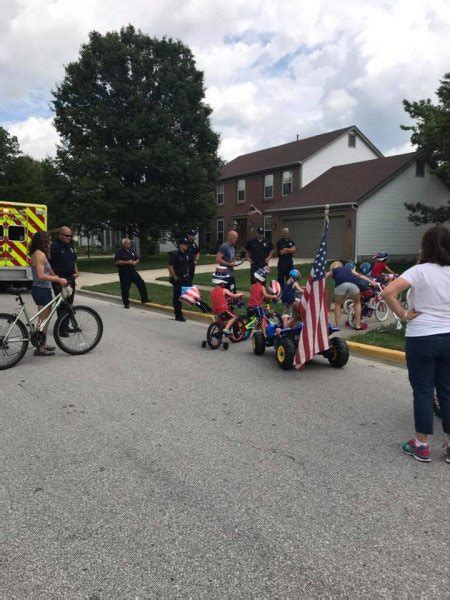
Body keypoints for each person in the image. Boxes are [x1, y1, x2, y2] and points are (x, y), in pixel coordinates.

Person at [382, 225, 450, 463]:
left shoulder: (418, 271)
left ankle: (421, 445)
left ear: (426, 246)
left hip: (421, 337)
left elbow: (388, 292)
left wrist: (402, 314)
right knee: (447, 391)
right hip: (448, 337)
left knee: (423, 390)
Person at [30, 231, 68, 356]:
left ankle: (43, 343)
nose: (50, 242)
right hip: (41, 289)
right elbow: (41, 275)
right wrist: (58, 279)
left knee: (45, 319)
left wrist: (58, 278)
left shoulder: (40, 254)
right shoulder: (39, 254)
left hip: (42, 289)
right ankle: (39, 347)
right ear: (43, 241)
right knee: (42, 320)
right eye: (49, 240)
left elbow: (49, 270)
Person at [326, 260, 377, 330]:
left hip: (341, 286)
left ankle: (336, 325)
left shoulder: (333, 271)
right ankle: (358, 325)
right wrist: (372, 281)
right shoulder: (349, 269)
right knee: (357, 303)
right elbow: (359, 275)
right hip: (353, 285)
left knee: (337, 305)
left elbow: (324, 276)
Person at [49, 226, 78, 337]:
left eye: (70, 236)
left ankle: (66, 325)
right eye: (66, 235)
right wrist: (55, 277)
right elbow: (49, 264)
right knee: (61, 304)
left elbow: (74, 260)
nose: (69, 237)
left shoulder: (69, 246)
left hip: (70, 278)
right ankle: (62, 329)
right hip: (59, 279)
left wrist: (76, 271)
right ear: (60, 234)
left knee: (69, 303)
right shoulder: (54, 246)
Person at [114, 238, 149, 309]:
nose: (129, 244)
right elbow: (117, 262)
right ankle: (126, 303)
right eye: (128, 243)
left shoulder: (132, 251)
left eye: (130, 243)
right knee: (125, 288)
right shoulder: (119, 252)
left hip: (132, 271)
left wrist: (135, 262)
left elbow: (137, 258)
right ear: (124, 244)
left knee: (141, 283)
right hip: (124, 273)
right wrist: (127, 262)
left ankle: (144, 299)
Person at [210, 267, 244, 335]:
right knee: (233, 317)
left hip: (215, 310)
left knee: (221, 321)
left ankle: (220, 330)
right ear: (222, 282)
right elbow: (233, 295)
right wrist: (240, 294)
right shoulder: (224, 290)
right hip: (223, 310)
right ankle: (226, 329)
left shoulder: (213, 291)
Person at [247, 267, 276, 337]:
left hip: (249, 307)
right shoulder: (262, 287)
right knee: (263, 318)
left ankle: (248, 328)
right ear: (262, 279)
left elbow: (250, 292)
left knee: (255, 320)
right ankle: (264, 334)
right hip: (256, 307)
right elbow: (266, 295)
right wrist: (273, 296)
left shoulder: (252, 286)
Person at [168, 238, 191, 321]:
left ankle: (204, 308)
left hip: (185, 278)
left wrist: (187, 273)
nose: (186, 245)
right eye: (185, 244)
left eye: (187, 244)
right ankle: (178, 315)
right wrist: (175, 278)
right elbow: (170, 267)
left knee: (190, 293)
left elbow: (187, 265)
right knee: (177, 297)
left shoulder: (186, 254)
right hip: (178, 278)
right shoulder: (174, 254)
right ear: (180, 244)